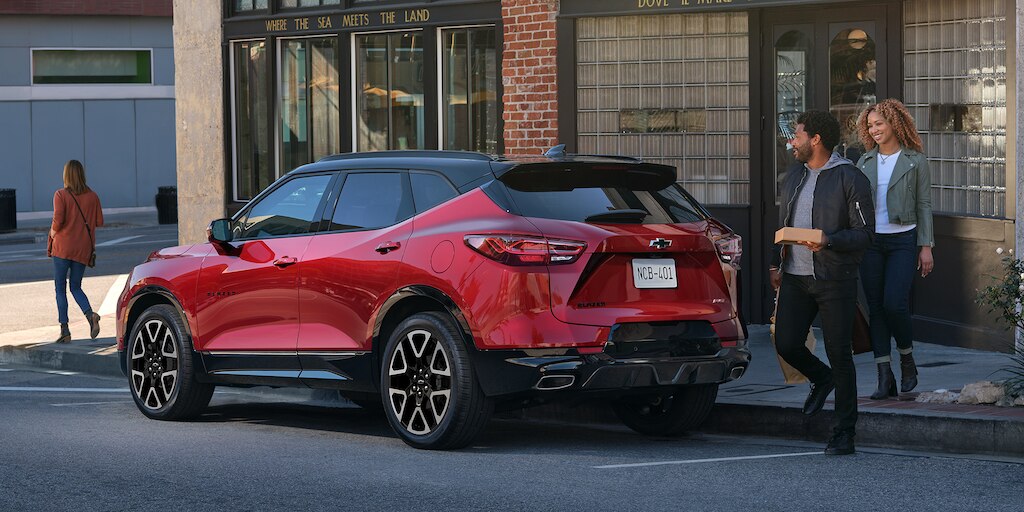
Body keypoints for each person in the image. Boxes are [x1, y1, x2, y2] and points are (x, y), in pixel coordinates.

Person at [770, 110, 874, 456]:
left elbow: (864, 234)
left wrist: (828, 241)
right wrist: (776, 264)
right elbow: (784, 221)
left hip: (833, 278)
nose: (792, 141)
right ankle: (821, 377)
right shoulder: (794, 176)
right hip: (796, 278)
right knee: (786, 342)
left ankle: (844, 433)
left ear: (815, 139)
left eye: (797, 135)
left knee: (840, 355)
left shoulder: (850, 177)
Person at [854, 99, 934, 399]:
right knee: (875, 308)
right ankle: (884, 375)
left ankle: (907, 358)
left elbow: (924, 205)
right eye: (870, 125)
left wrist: (925, 247)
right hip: (871, 242)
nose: (874, 129)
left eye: (879, 124)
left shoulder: (916, 161)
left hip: (903, 240)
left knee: (893, 304)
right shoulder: (864, 162)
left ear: (895, 124)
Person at [48, 159, 103, 343]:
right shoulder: (93, 196)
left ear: (66, 175)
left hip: (62, 248)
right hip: (82, 250)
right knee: (76, 287)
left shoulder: (60, 195)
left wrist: (52, 233)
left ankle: (65, 330)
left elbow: (58, 221)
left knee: (60, 289)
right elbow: (98, 222)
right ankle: (90, 316)